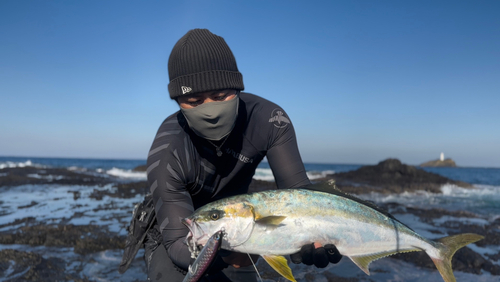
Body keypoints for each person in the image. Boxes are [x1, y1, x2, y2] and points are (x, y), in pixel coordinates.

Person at [142, 29, 342, 282]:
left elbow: (299, 195)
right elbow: (177, 242)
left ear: (237, 87)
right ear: (178, 100)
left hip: (240, 222)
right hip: (180, 228)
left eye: (219, 96)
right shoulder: (167, 149)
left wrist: (314, 236)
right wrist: (222, 256)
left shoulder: (270, 120)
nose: (210, 111)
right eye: (193, 100)